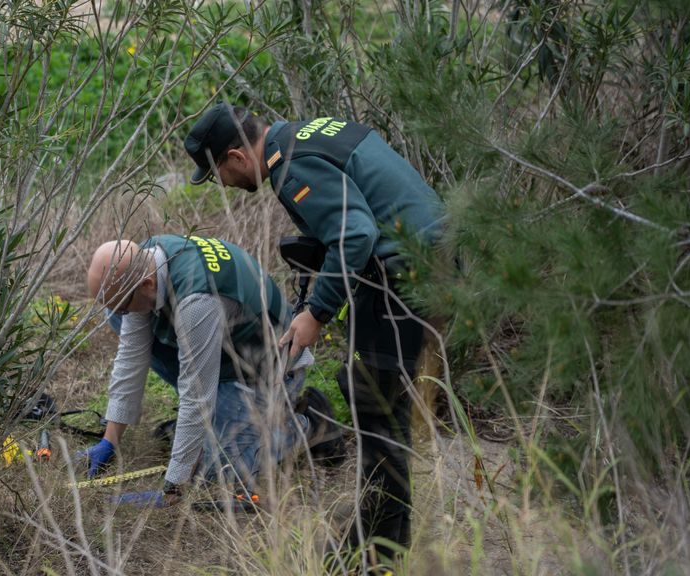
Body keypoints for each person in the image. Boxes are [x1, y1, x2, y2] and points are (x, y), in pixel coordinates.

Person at [184, 104, 445, 562]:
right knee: (385, 411)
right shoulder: (309, 135)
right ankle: (381, 540)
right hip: (430, 260)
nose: (225, 185)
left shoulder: (290, 165)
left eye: (218, 173)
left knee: (379, 411)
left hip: (406, 274)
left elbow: (355, 235)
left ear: (236, 156)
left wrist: (317, 314)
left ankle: (375, 555)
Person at [79, 234, 346, 504]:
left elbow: (196, 396)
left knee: (219, 470)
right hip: (222, 351)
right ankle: (216, 421)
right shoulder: (147, 257)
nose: (121, 312)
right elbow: (131, 356)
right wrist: (109, 441)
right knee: (117, 318)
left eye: (123, 304)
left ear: (147, 284)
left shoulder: (196, 301)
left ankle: (308, 426)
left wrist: (173, 488)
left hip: (264, 369)